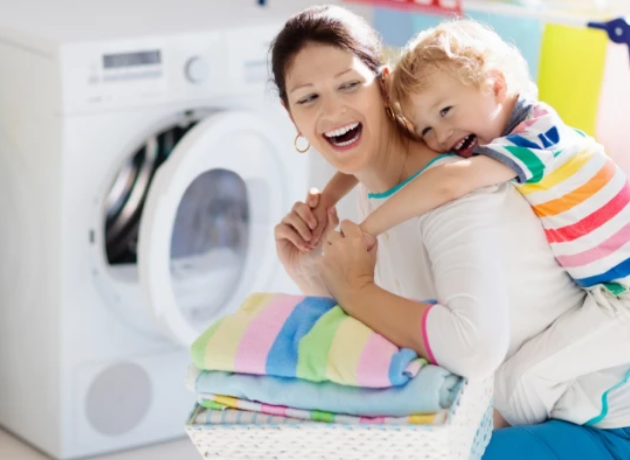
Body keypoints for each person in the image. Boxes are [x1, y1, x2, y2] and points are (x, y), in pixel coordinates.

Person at [270, 5, 630, 458]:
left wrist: (355, 272)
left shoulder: (460, 186)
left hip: (604, 418)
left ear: (382, 86)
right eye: (308, 98)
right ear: (291, 115)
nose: (333, 108)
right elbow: (392, 339)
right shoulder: (375, 192)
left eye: (348, 85)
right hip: (551, 406)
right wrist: (312, 270)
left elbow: (471, 350)